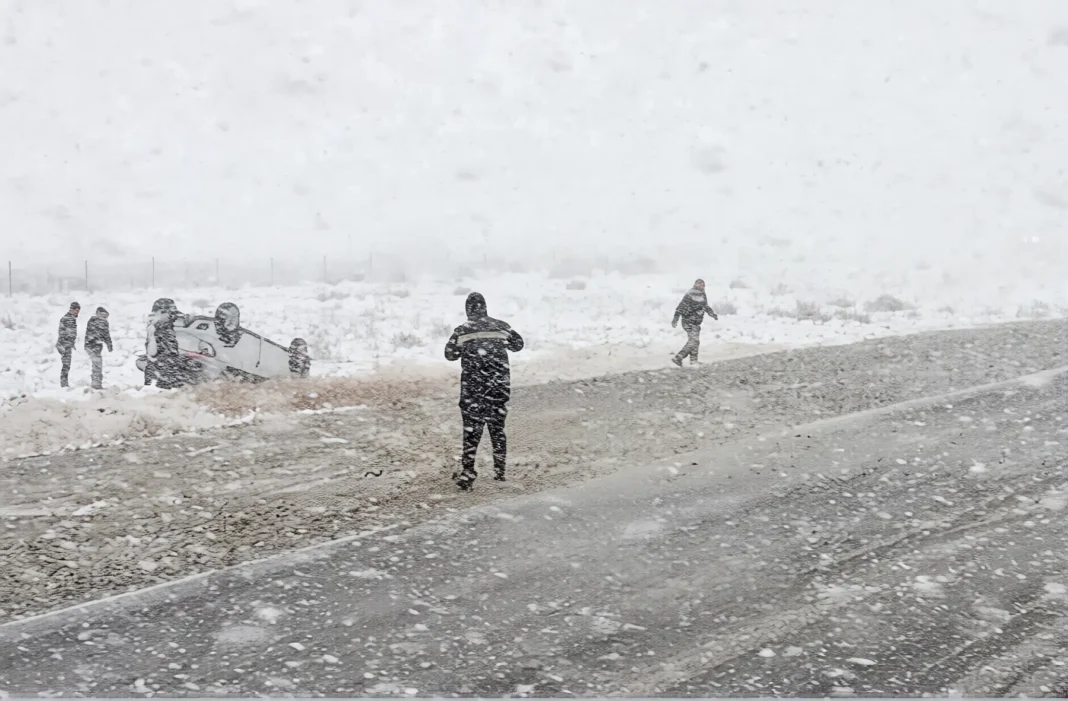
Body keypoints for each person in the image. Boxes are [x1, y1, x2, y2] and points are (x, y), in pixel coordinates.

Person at [444, 292, 524, 490]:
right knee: (497, 431)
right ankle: (499, 471)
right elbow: (519, 345)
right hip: (498, 388)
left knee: (471, 433)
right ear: (485, 308)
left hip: (473, 390)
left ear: (468, 310)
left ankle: (468, 471)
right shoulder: (501, 327)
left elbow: (449, 355)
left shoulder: (463, 331)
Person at [671, 278, 718, 366]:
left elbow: (705, 306)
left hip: (696, 322)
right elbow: (681, 307)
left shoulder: (702, 294)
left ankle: (693, 361)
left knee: (695, 341)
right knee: (694, 341)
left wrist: (712, 314)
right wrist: (675, 319)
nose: (702, 286)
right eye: (699, 284)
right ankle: (678, 357)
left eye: (703, 285)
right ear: (695, 284)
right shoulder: (690, 294)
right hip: (688, 321)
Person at [146, 298, 182, 389]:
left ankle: (166, 383)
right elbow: (152, 348)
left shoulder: (158, 320)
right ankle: (163, 384)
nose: (172, 312)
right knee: (166, 363)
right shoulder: (156, 322)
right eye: (170, 309)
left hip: (167, 350)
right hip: (162, 353)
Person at [84, 307, 113, 390]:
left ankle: (96, 383)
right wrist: (109, 345)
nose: (104, 317)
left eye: (105, 316)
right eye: (103, 314)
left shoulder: (92, 320)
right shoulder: (100, 321)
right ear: (98, 313)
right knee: (97, 365)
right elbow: (106, 335)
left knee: (96, 364)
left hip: (91, 345)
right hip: (94, 346)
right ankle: (96, 384)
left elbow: (103, 334)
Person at [55, 302, 80, 387]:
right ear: (71, 309)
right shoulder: (67, 318)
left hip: (67, 344)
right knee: (66, 365)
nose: (77, 312)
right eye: (75, 310)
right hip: (64, 345)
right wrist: (63, 344)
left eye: (78, 310)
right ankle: (64, 384)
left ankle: (64, 383)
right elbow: (62, 332)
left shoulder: (71, 318)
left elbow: (71, 333)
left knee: (67, 365)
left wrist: (72, 343)